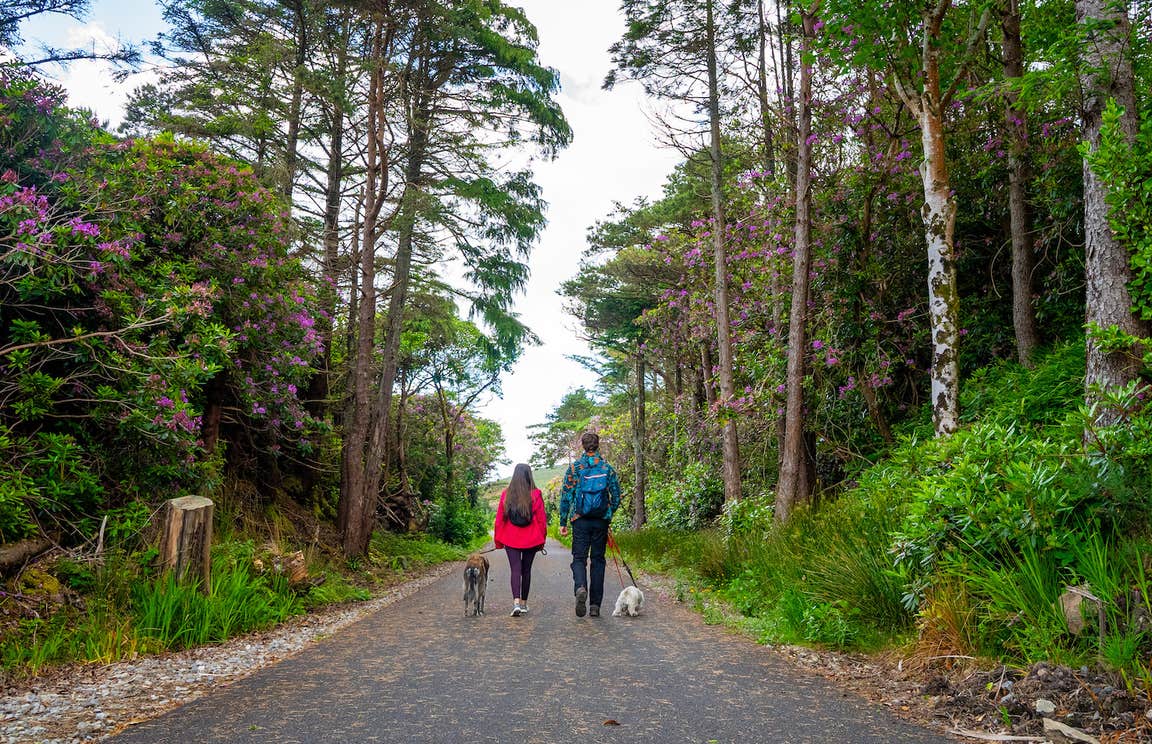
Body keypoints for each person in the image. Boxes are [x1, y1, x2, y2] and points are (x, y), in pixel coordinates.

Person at [558, 432, 622, 618]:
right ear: (598, 445)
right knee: (598, 561)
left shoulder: (575, 468)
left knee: (579, 558)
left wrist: (564, 522)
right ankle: (595, 606)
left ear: (583, 446)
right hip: (600, 521)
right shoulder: (607, 468)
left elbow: (566, 496)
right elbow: (616, 496)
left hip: (579, 520)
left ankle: (580, 587)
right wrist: (608, 514)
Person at [493, 463, 547, 617]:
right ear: (529, 475)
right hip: (531, 538)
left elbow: (499, 519)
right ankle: (523, 604)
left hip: (511, 538)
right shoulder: (536, 494)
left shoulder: (506, 494)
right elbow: (542, 519)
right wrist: (541, 539)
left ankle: (515, 602)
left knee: (515, 570)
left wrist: (498, 540)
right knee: (526, 570)